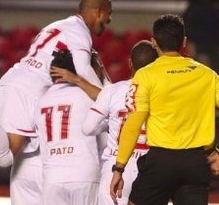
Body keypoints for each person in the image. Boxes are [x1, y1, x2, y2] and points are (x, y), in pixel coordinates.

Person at [0, 0, 112, 205]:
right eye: (108, 15)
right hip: (29, 90)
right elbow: (84, 69)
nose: (109, 21)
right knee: (4, 158)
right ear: (98, 11)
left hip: (11, 80)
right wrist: (108, 100)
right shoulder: (79, 31)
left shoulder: (56, 26)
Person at [110, 14, 219, 205]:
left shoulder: (145, 75)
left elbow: (133, 124)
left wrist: (119, 168)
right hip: (196, 163)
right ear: (184, 41)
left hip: (161, 162)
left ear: (154, 42)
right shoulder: (207, 75)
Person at [83, 40, 157, 205]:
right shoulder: (164, 94)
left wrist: (109, 123)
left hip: (115, 165)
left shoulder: (112, 91)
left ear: (130, 63)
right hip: (149, 168)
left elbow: (88, 128)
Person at [35, 49, 101, 205]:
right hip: (84, 174)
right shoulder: (87, 96)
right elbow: (112, 102)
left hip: (52, 177)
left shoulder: (40, 100)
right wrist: (80, 81)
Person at [182, 0, 219, 73]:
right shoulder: (192, 8)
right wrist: (190, 43)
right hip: (197, 47)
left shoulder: (215, 7)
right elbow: (186, 26)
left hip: (214, 47)